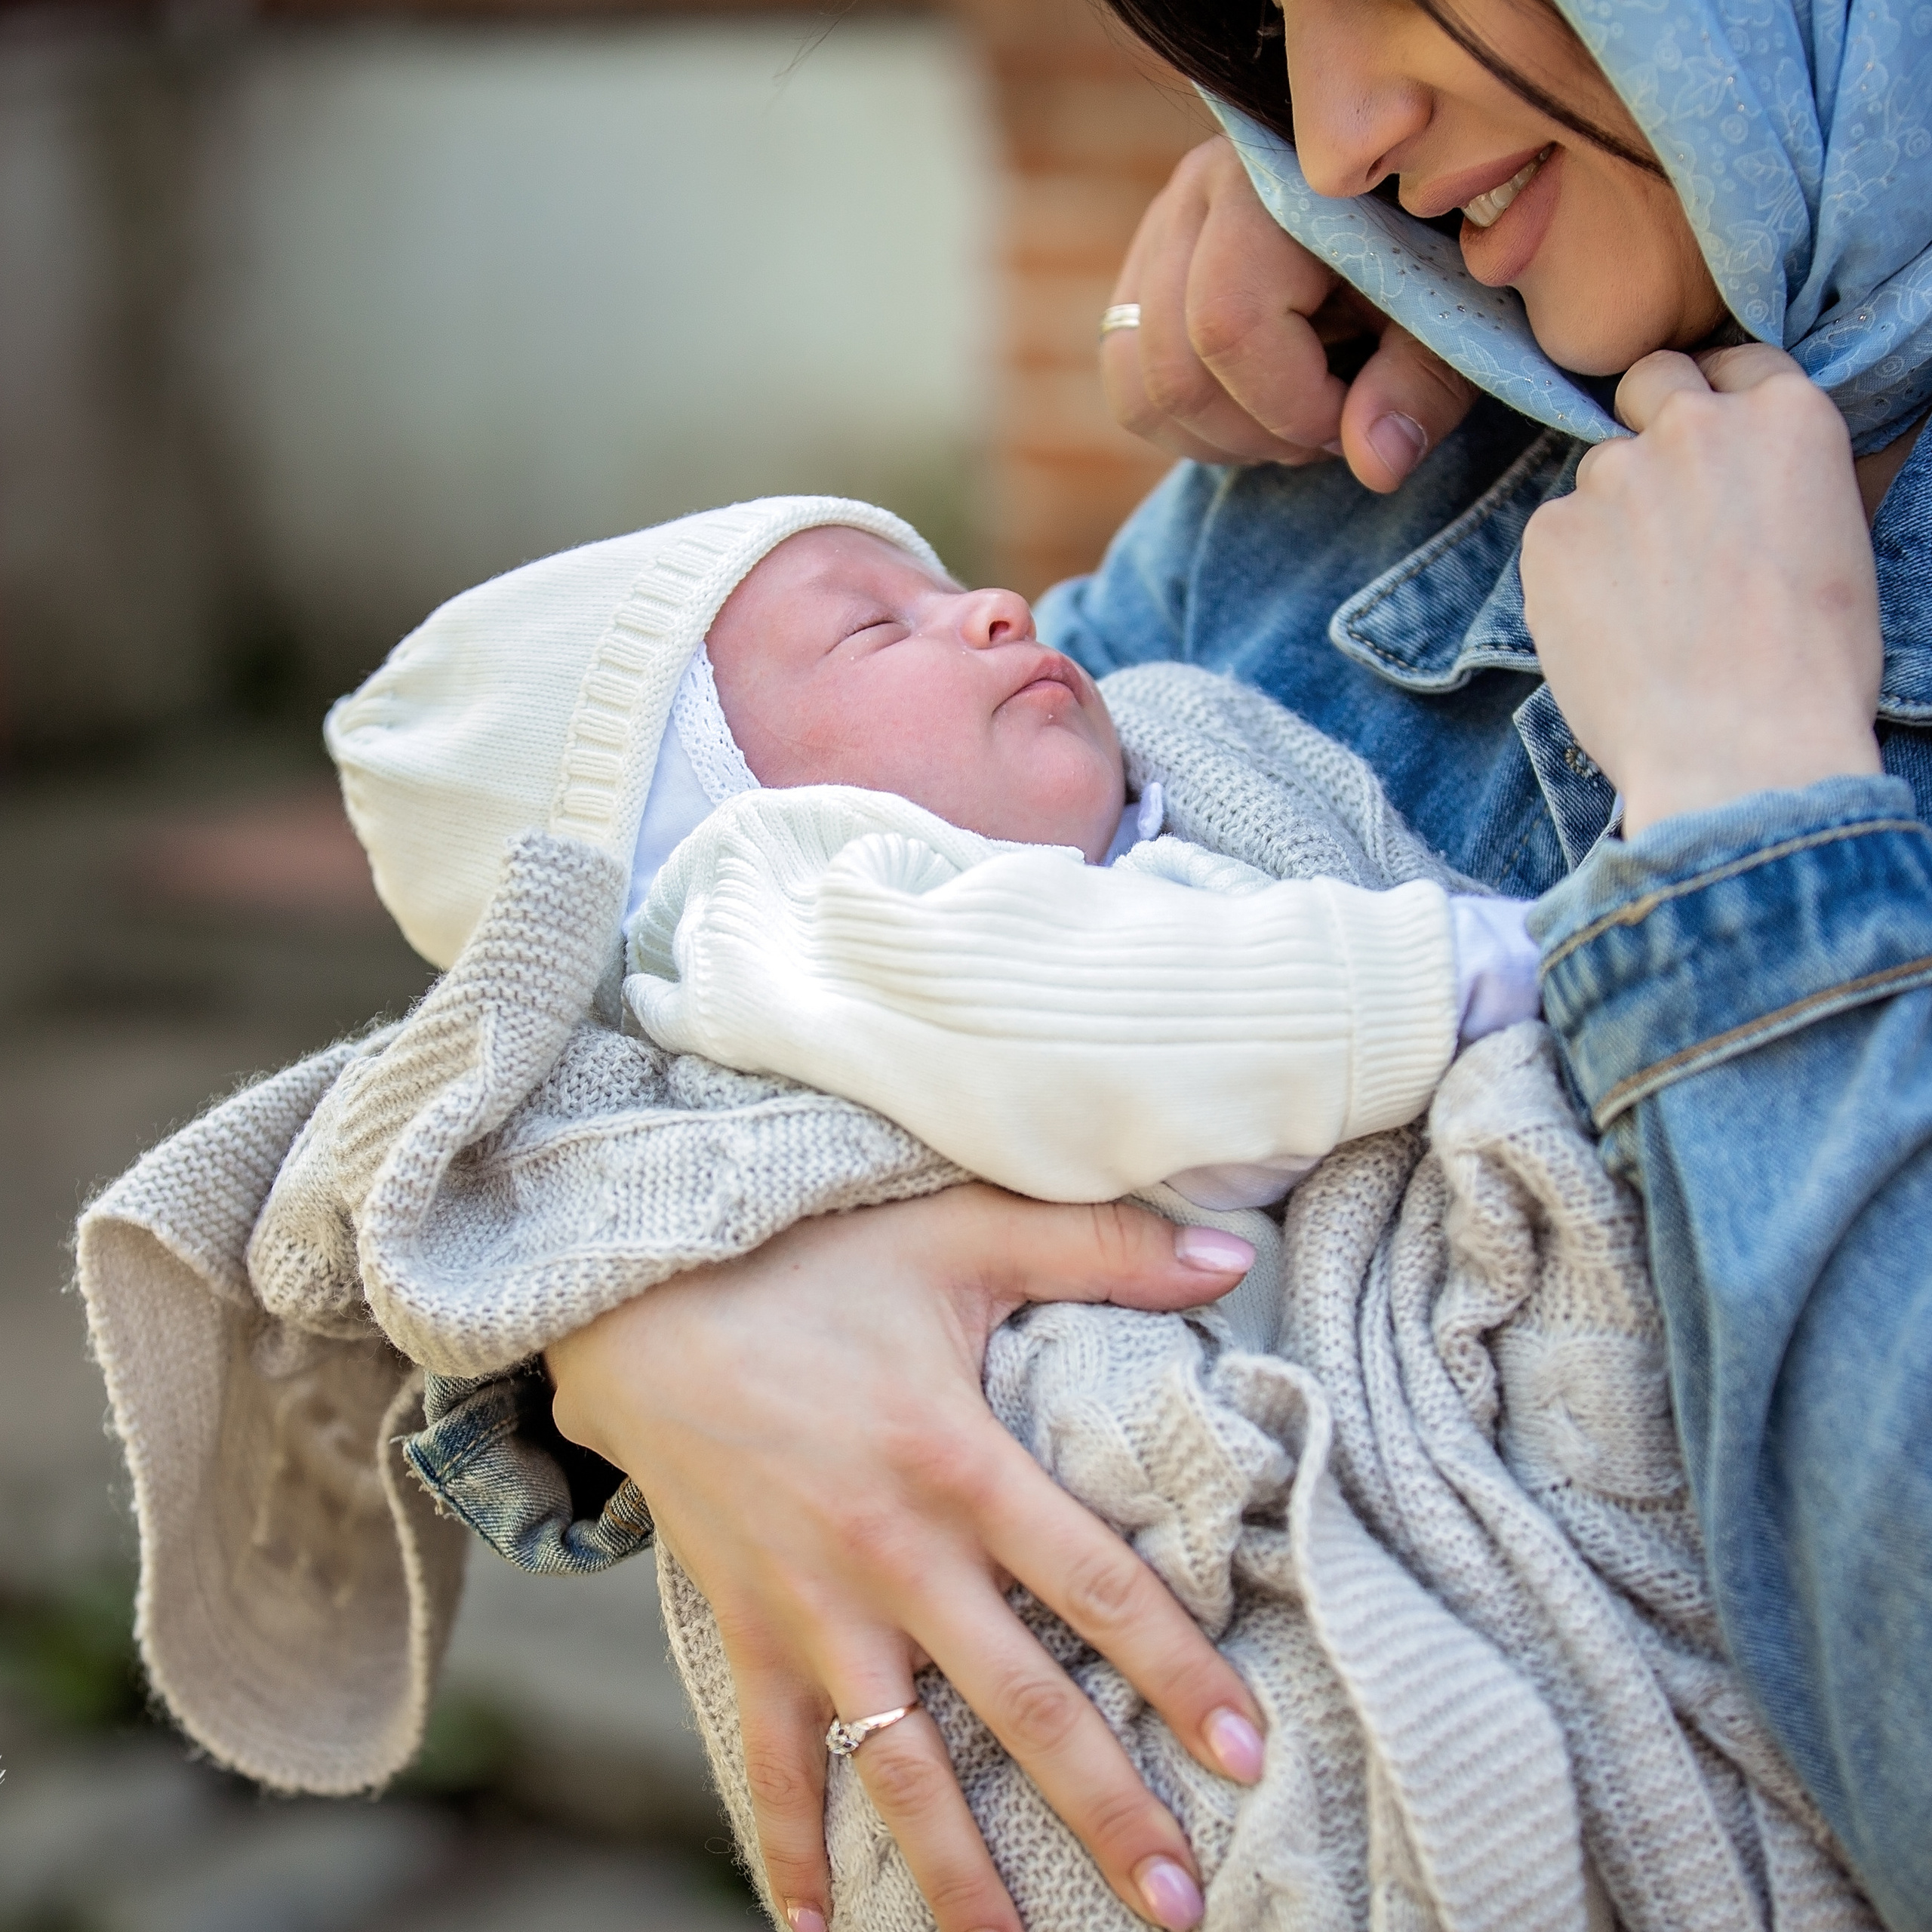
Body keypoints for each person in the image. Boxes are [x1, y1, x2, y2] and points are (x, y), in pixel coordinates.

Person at [539, 2, 1932, 1930]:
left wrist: (1748, 824)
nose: (1339, 137)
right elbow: (670, 921)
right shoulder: (1353, 462)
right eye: (1269, 26)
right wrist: (673, 1302)